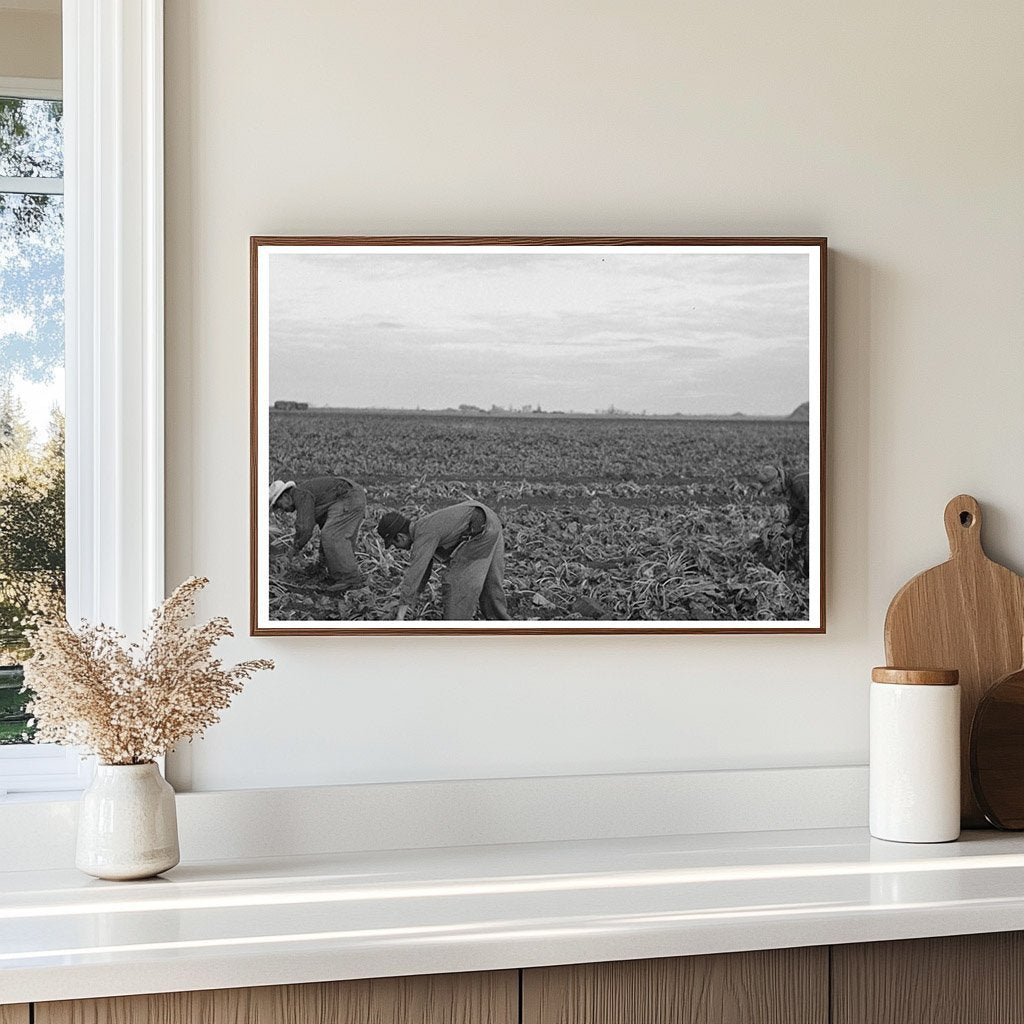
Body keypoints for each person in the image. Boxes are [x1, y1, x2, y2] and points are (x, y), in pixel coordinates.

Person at [377, 501, 511, 621]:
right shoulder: (424, 526)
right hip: (490, 518)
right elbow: (423, 574)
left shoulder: (423, 536)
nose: (397, 548)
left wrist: (400, 617)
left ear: (400, 537)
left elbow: (414, 575)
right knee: (491, 583)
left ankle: (455, 633)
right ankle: (503, 627)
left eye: (394, 544)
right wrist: (412, 601)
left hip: (482, 527)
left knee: (456, 582)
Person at [269, 476, 366, 591]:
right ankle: (335, 574)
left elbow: (305, 527)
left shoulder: (301, 495)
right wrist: (320, 565)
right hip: (352, 496)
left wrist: (293, 550)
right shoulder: (307, 495)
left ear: (286, 497)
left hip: (349, 497)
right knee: (332, 535)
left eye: (280, 505)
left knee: (332, 536)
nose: (283, 510)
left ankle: (350, 579)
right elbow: (322, 525)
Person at [756, 463, 810, 539]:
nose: (773, 493)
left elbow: (809, 509)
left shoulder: (797, 484)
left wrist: (794, 527)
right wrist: (790, 522)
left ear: (779, 480)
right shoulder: (787, 483)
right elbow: (798, 507)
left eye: (773, 489)